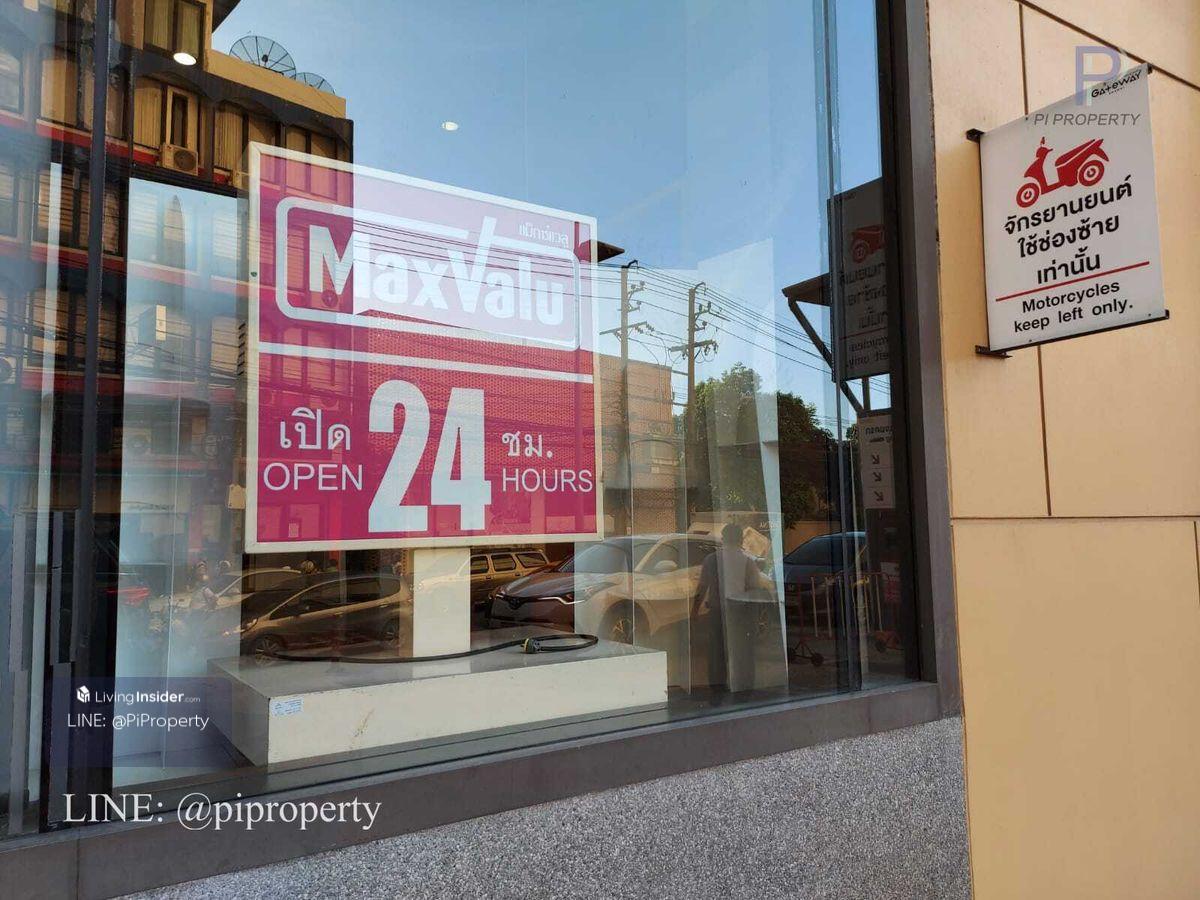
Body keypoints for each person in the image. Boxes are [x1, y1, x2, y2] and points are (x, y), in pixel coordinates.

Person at [694, 522, 772, 694]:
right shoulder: (748, 562)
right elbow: (753, 591)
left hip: (717, 612)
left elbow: (701, 588)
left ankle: (717, 688)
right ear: (740, 540)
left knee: (717, 654)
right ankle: (744, 689)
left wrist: (694, 612)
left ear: (723, 539)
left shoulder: (711, 560)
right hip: (740, 613)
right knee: (742, 653)